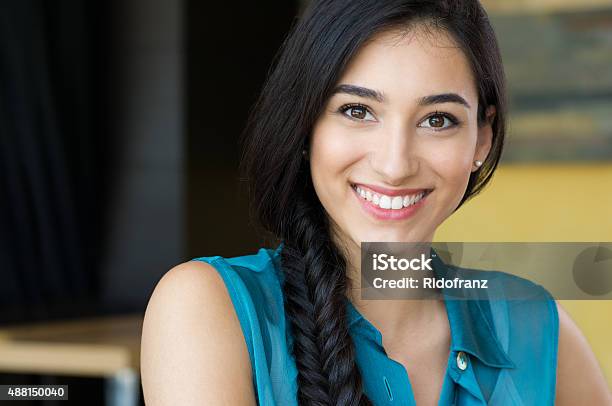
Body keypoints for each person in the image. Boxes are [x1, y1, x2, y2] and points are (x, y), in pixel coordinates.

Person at [140, 0, 612, 404]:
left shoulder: (537, 328)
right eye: (357, 111)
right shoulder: (206, 307)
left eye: (438, 120)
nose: (394, 164)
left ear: (482, 139)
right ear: (306, 127)